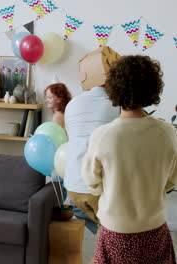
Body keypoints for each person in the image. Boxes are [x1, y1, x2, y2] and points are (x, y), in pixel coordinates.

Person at [83, 55, 176, 263]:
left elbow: (92, 183)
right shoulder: (167, 133)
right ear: (152, 88)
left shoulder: (102, 135)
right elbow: (171, 181)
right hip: (154, 229)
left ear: (114, 88)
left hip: (116, 232)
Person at [64, 46, 121, 235]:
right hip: (97, 187)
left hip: (73, 187)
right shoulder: (115, 106)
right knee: (114, 231)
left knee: (103, 232)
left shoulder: (72, 104)